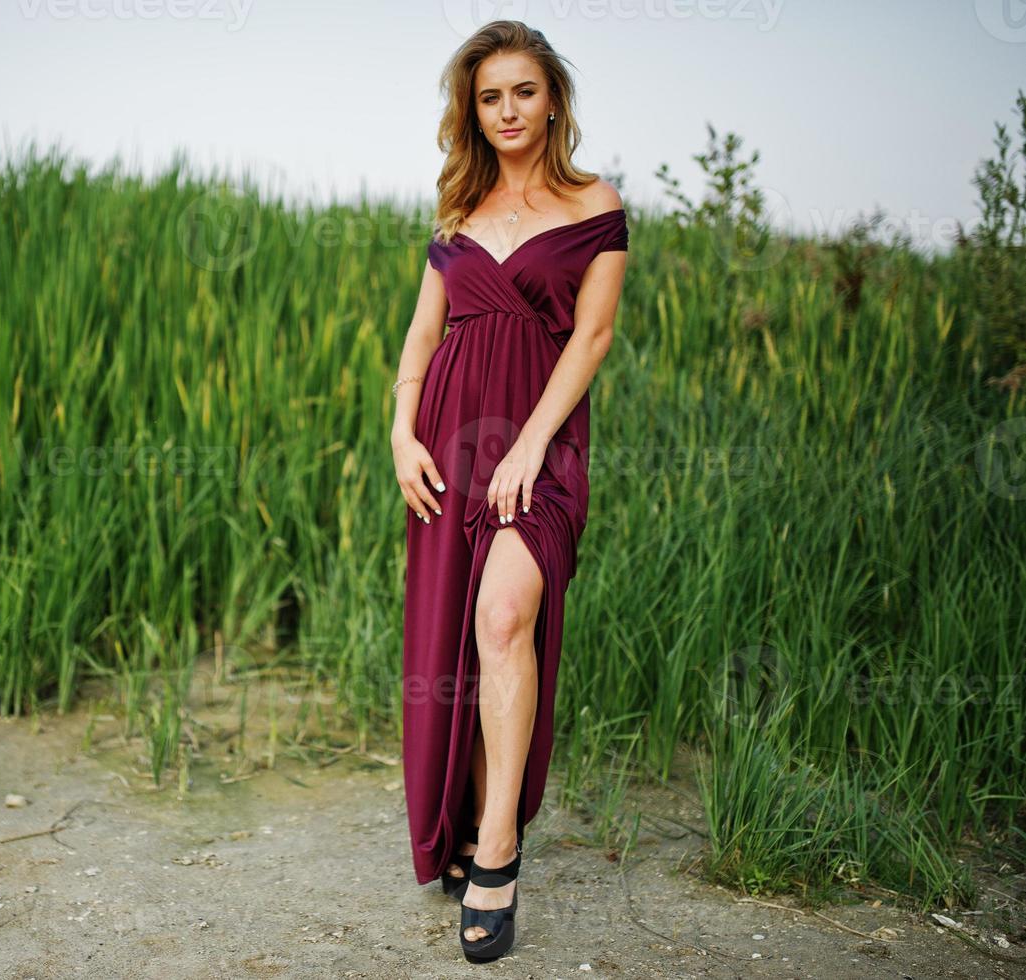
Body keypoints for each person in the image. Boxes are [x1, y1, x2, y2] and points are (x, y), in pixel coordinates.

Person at [389, 21, 630, 964]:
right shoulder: (456, 209)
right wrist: (400, 433)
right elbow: (421, 335)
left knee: (501, 620)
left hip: (542, 445)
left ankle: (495, 852)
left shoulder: (594, 201)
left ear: (553, 99)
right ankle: (468, 818)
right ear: (472, 110)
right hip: (449, 440)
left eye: (523, 92)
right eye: (490, 97)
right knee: (468, 636)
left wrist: (531, 445)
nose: (507, 112)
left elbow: (592, 338)